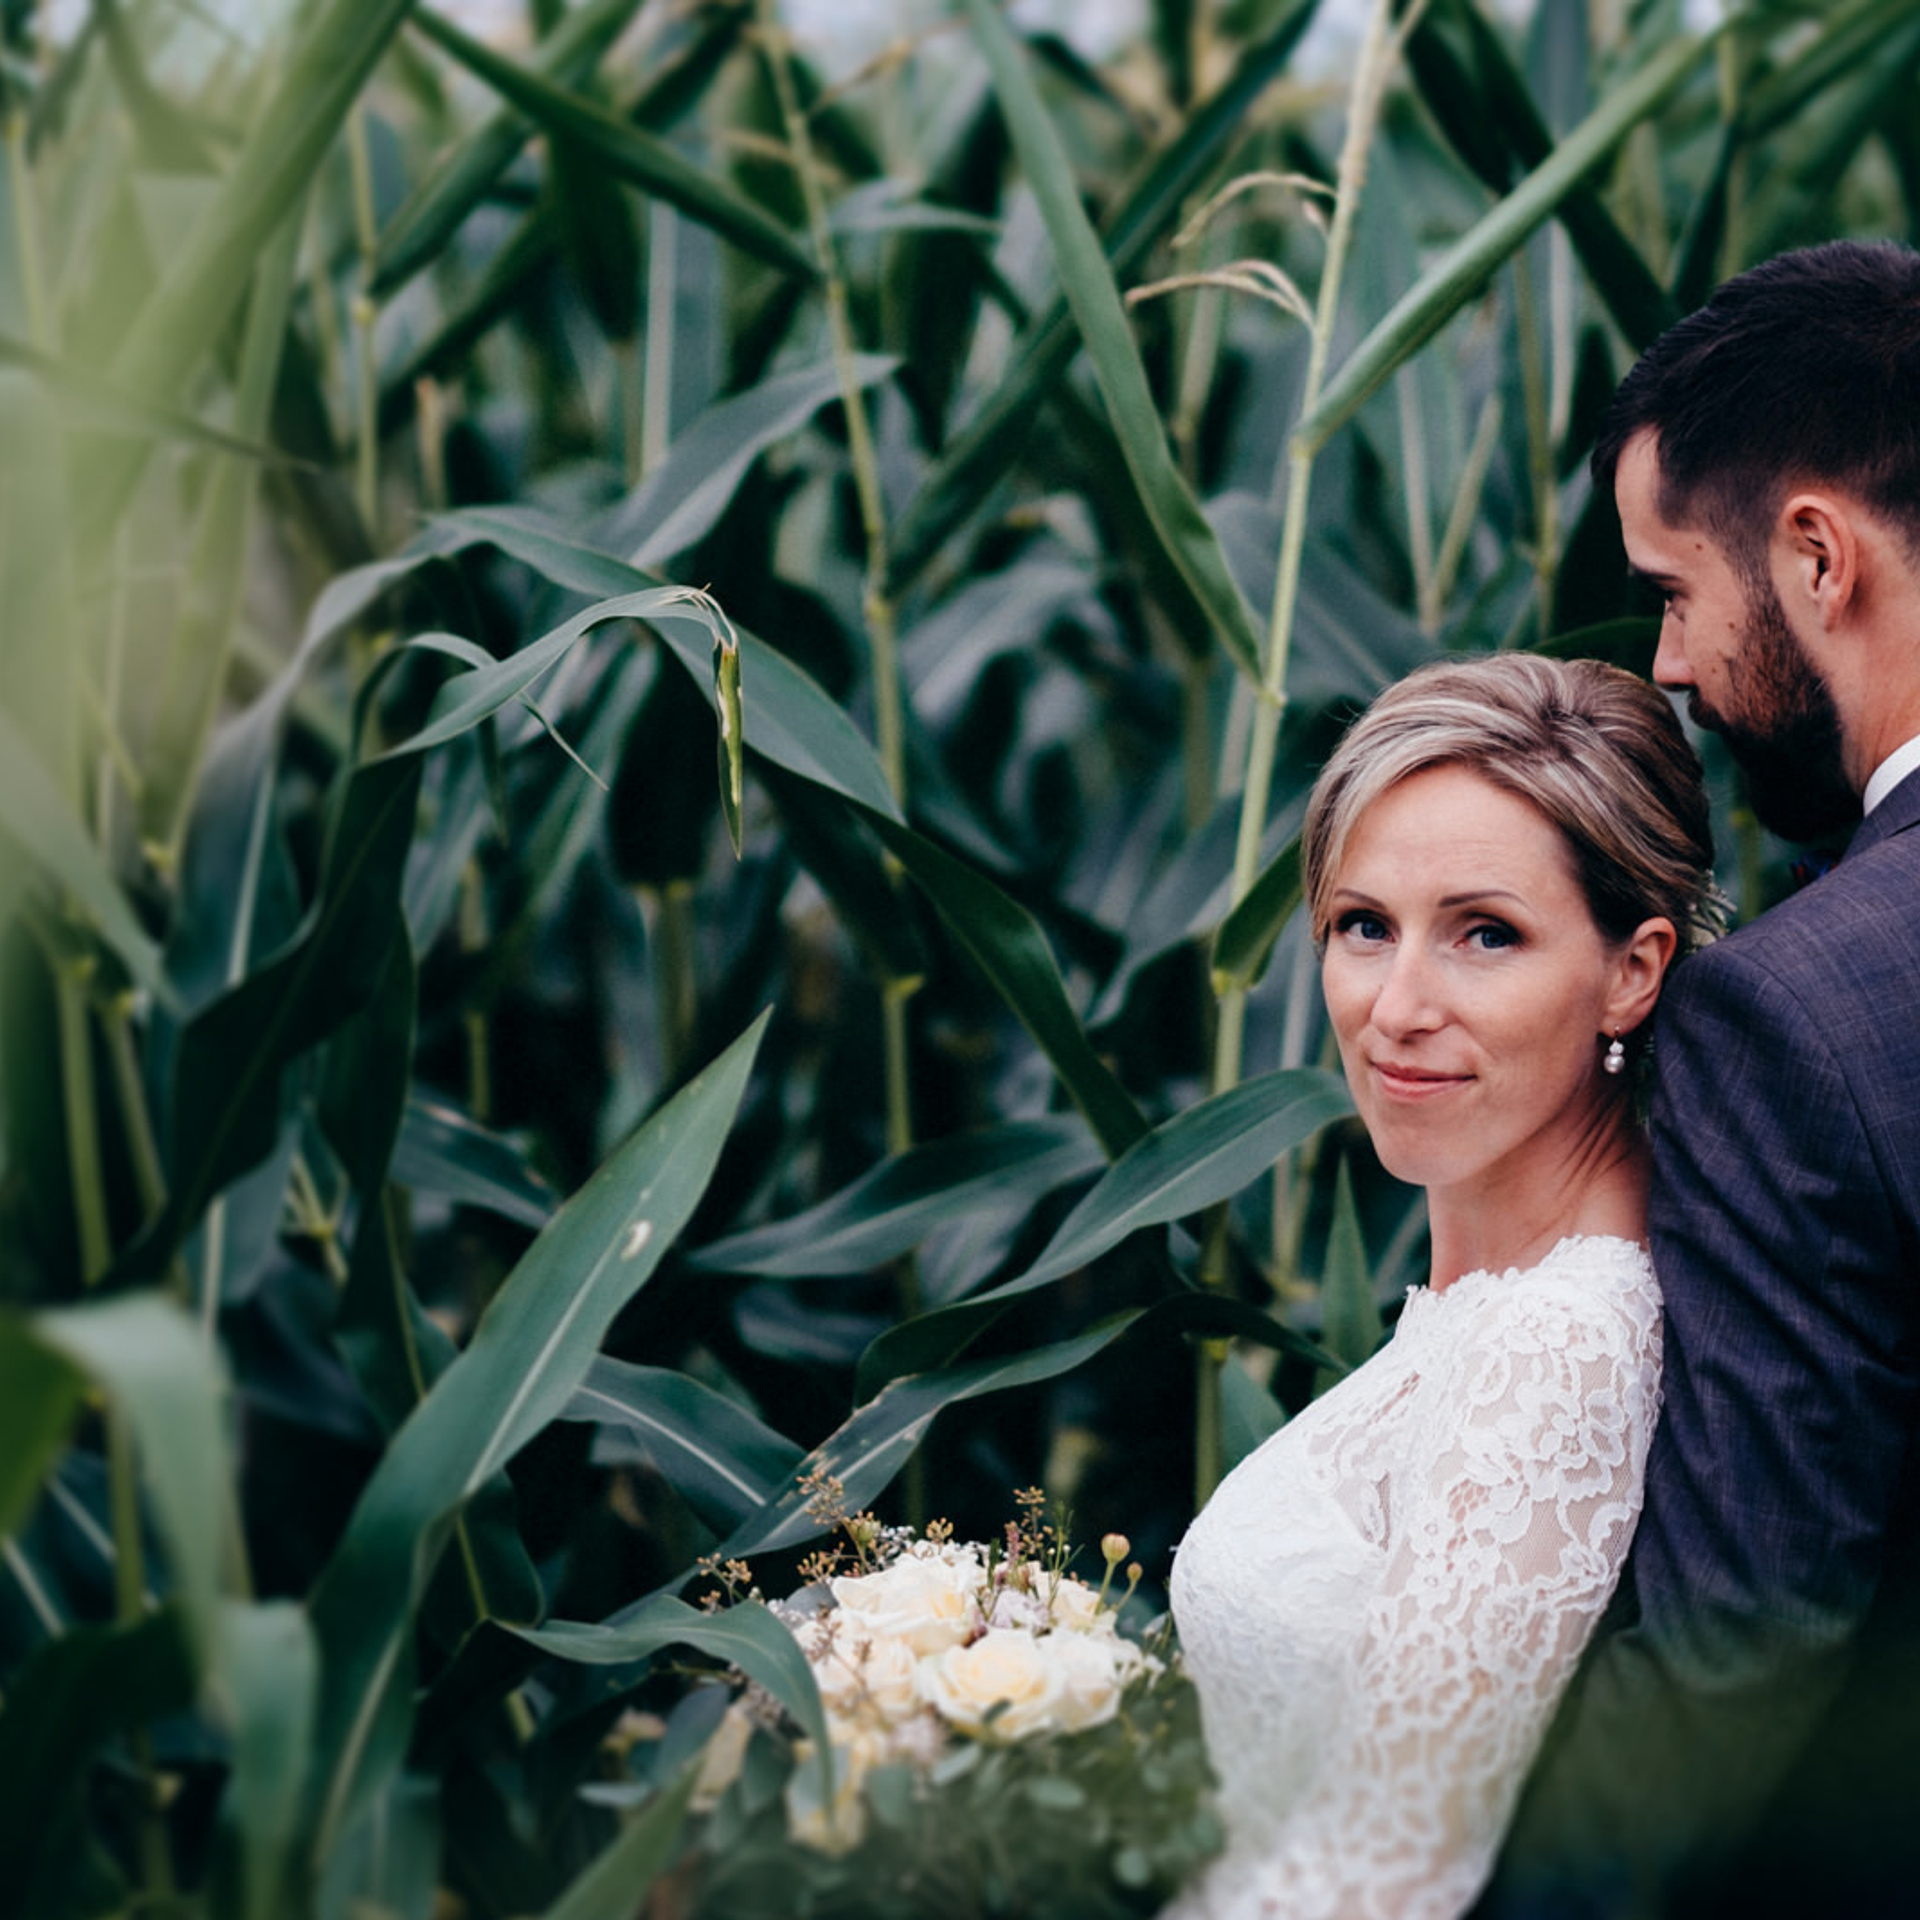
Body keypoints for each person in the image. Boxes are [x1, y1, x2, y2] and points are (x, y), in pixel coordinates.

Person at [1478, 238, 1920, 1919]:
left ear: (1817, 555)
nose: (1663, 667)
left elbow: (1731, 1671)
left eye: (1672, 592)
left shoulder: (1794, 1022)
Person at [1168, 652, 1723, 1919]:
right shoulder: (1497, 1305)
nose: (1396, 1008)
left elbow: (1388, 1873)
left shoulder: (1563, 1343)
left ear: (1634, 969)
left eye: (1485, 934)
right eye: (1365, 926)